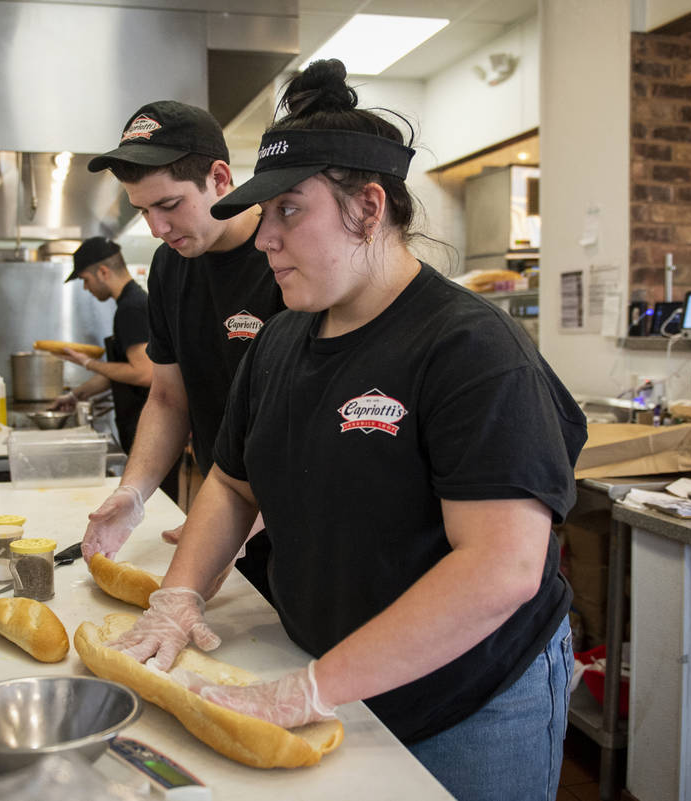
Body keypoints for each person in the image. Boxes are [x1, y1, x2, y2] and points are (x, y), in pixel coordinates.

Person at [110, 60, 588, 801]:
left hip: (467, 701)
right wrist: (181, 596)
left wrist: (311, 687)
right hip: (336, 679)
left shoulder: (467, 347)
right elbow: (232, 485)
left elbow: (501, 567)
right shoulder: (280, 340)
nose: (265, 239)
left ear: (368, 208)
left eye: (289, 212)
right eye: (261, 215)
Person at [80, 101, 284, 602]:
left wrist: (248, 513)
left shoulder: (285, 255)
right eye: (143, 210)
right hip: (228, 508)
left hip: (292, 517)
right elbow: (169, 398)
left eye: (169, 205)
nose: (156, 228)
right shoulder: (170, 269)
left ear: (219, 178)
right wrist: (134, 492)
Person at [50, 238, 152, 459]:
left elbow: (144, 373)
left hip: (148, 428)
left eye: (85, 280)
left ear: (103, 272)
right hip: (141, 425)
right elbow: (120, 372)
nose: (86, 288)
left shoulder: (131, 309)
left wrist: (86, 362)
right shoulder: (131, 303)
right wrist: (75, 395)